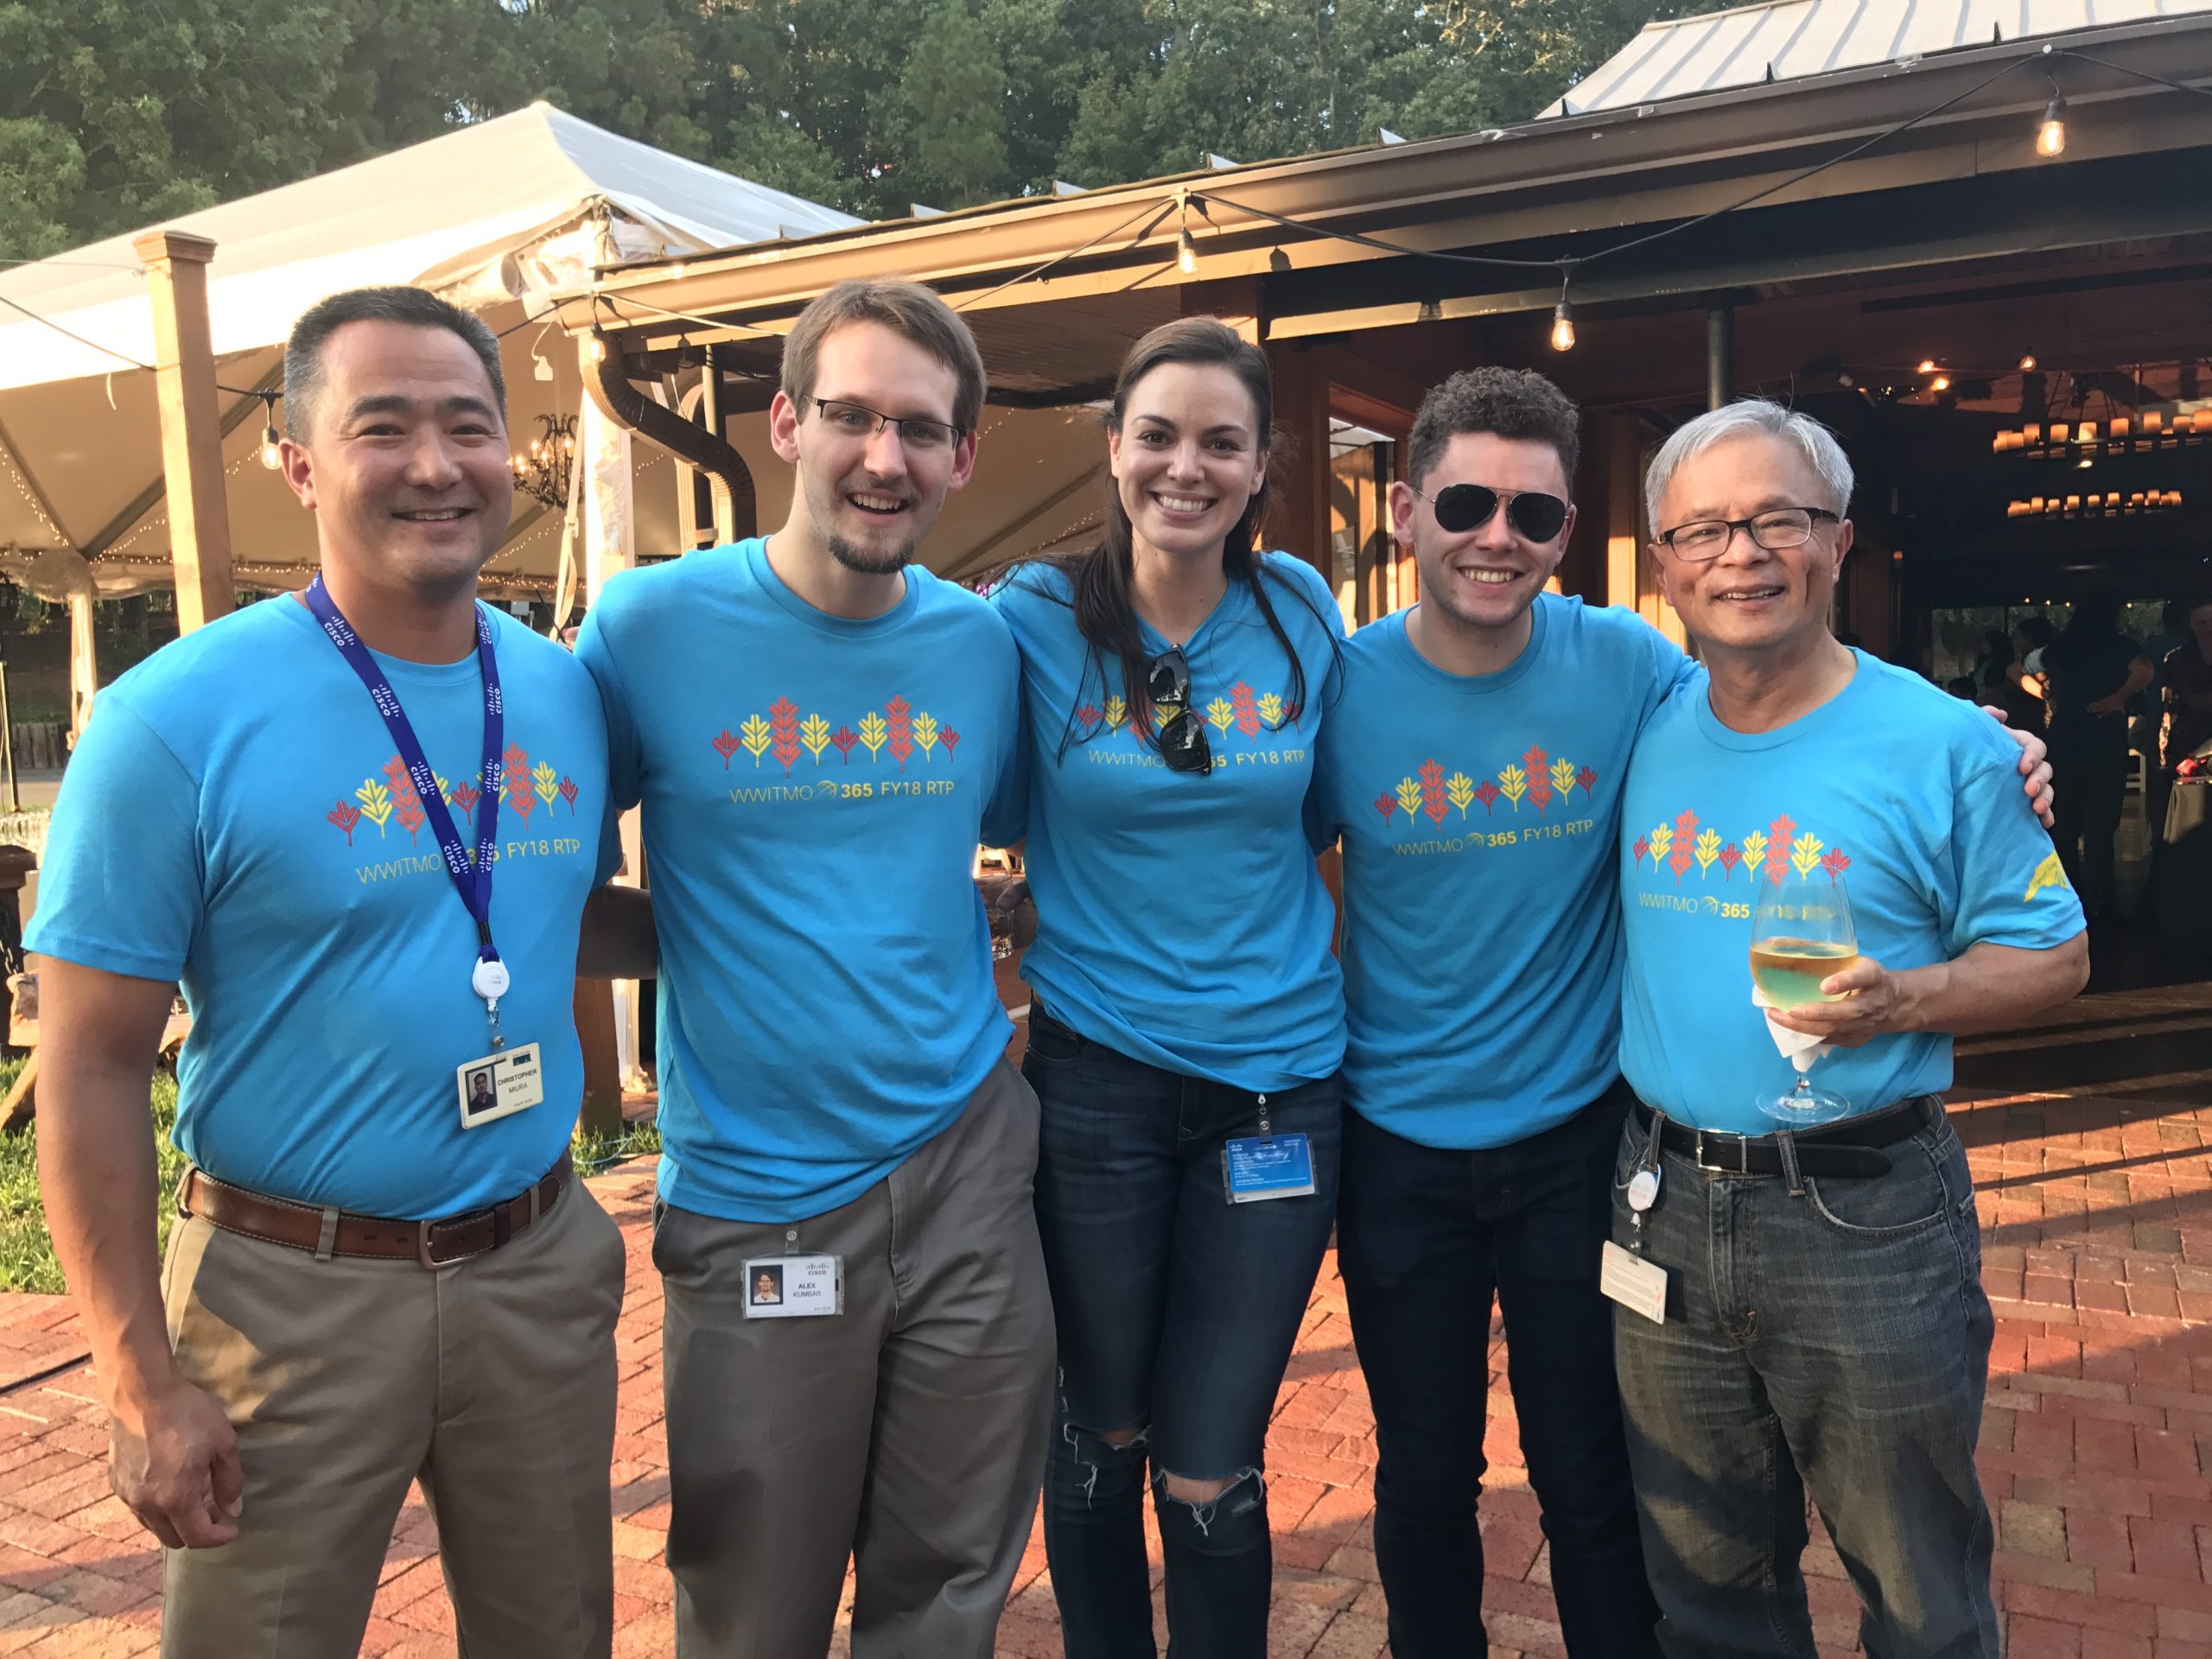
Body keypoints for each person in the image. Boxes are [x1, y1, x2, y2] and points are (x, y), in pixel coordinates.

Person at [1307, 371, 2050, 1659]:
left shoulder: (1631, 668)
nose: (1500, 537)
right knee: (1431, 1477)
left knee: (1601, 1482)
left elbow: (1813, 706)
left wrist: (1986, 748)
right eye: (1469, 503)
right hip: (1406, 1150)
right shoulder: (1341, 691)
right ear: (1409, 512)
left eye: (1536, 516)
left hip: (1584, 1151)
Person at [26, 286, 629, 1656]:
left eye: (469, 427)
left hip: (534, 1266)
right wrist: (136, 1381)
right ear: (298, 462)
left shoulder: (561, 693)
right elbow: (92, 1057)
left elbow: (551, 916)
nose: (435, 464)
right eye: (384, 428)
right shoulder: (170, 720)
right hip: (287, 1295)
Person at [573, 278, 1050, 1658]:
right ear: (786, 422)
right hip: (760, 1192)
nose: (883, 458)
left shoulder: (979, 645)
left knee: (955, 1569)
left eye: (922, 428)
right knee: (753, 1592)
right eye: (850, 415)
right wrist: (697, 943)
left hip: (967, 1162)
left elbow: (1011, 850)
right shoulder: (647, 629)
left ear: (964, 455)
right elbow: (552, 877)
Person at [1615, 399, 2089, 1656]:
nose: (1742, 554)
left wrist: (1908, 997)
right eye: (1705, 530)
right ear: (1664, 563)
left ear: (1840, 541)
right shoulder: (1646, 724)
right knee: (1706, 1586)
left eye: (1780, 519)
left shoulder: (1944, 744)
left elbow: (2057, 956)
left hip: (1865, 1215)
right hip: (1661, 1197)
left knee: (1920, 1591)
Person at [988, 318, 1346, 1658]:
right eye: (1157, 435)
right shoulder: (1032, 618)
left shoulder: (1300, 611)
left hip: (1281, 1097)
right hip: (1099, 1094)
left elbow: (1324, 815)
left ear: (1262, 468)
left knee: (1211, 1459)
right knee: (1100, 1433)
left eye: (1220, 442)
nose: (1184, 467)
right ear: (1115, 449)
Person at [2040, 588, 2155, 914]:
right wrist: (2120, 698)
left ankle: (2065, 894)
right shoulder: (2118, 646)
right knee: (2100, 825)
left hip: (2064, 736)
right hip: (2104, 737)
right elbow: (2145, 669)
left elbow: (2025, 667)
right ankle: (2101, 895)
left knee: (2063, 824)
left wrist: (2046, 697)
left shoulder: (2061, 648)